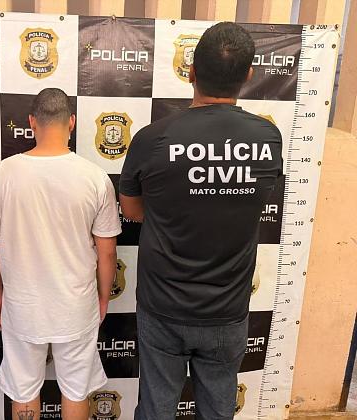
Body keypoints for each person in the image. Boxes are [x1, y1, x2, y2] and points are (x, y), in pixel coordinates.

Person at [120, 22, 283, 419]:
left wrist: (175, 207)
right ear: (248, 74)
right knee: (218, 410)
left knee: (156, 409)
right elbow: (254, 202)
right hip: (227, 309)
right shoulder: (268, 138)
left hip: (163, 306)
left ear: (190, 71)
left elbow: (132, 210)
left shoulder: (152, 138)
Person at [0, 88, 121, 420]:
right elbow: (107, 252)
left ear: (31, 122)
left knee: (24, 391)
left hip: (22, 306)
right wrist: (102, 297)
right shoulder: (95, 177)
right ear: (71, 123)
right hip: (76, 306)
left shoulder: (4, 174)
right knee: (75, 390)